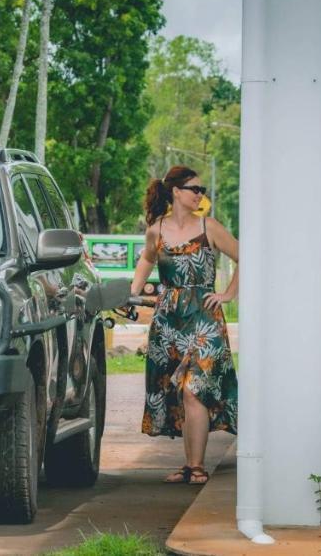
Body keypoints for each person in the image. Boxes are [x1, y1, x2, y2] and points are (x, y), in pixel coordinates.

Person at [131, 165, 239, 485]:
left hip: (205, 318)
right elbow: (147, 260)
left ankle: (197, 465)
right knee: (179, 393)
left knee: (195, 390)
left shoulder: (210, 226)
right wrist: (131, 294)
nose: (200, 195)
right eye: (195, 189)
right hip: (168, 321)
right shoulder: (156, 230)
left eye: (202, 190)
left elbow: (245, 256)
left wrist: (228, 294)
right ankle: (190, 464)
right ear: (176, 192)